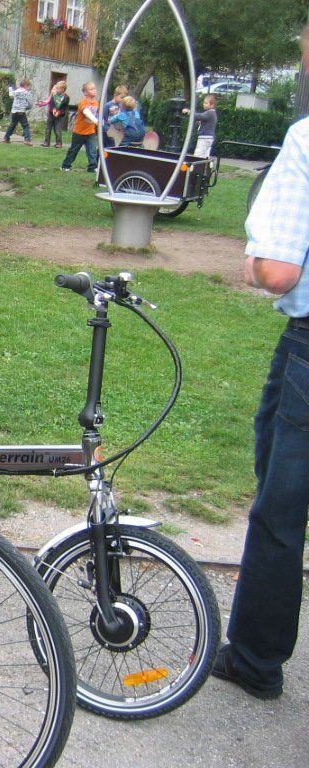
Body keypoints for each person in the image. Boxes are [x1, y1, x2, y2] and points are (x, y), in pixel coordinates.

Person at [212, 28, 309, 702]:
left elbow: (277, 270)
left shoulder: (306, 141)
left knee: (282, 506)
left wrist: (251, 262)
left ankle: (254, 658)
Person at [61, 81, 100, 172]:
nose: (94, 90)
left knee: (92, 151)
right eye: (91, 89)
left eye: (94, 88)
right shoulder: (83, 102)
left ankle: (92, 167)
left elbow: (97, 114)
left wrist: (100, 122)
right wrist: (96, 121)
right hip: (79, 132)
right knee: (74, 150)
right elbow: (86, 112)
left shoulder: (96, 103)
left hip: (90, 132)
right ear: (85, 92)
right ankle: (65, 165)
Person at [183, 94, 218, 158]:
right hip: (209, 138)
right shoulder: (213, 113)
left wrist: (189, 112)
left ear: (212, 105)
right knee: (205, 156)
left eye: (206, 103)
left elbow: (199, 116)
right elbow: (205, 121)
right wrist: (200, 123)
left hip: (204, 138)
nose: (203, 104)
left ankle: (196, 164)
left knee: (198, 155)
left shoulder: (210, 112)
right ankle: (205, 164)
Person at [38, 80, 69, 148]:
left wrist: (59, 112)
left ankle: (59, 143)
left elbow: (64, 108)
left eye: (58, 88)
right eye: (56, 88)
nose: (56, 90)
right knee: (48, 129)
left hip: (60, 116)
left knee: (57, 130)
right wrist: (53, 109)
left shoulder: (66, 97)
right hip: (51, 114)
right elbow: (51, 104)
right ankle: (46, 142)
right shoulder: (53, 95)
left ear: (63, 89)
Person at [3, 79, 35, 145]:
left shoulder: (16, 91)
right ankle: (27, 140)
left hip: (14, 111)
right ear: (26, 86)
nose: (29, 89)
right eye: (29, 87)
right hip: (21, 111)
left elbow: (11, 95)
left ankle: (6, 138)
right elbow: (30, 103)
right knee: (25, 126)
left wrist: (10, 88)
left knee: (12, 125)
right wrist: (27, 107)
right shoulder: (26, 93)